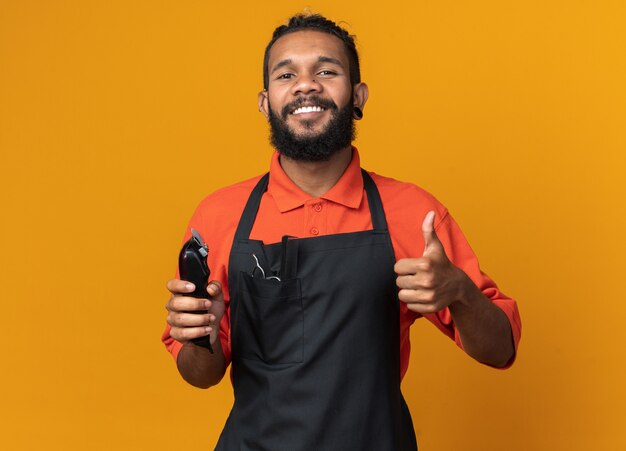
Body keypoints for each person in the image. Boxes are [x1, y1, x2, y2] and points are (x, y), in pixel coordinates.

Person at [162, 13, 521, 450]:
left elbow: (500, 349)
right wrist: (198, 334)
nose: (306, 84)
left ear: (357, 95)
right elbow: (203, 375)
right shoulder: (221, 215)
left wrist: (461, 292)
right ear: (264, 101)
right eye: (286, 73)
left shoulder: (412, 213)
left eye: (327, 71)